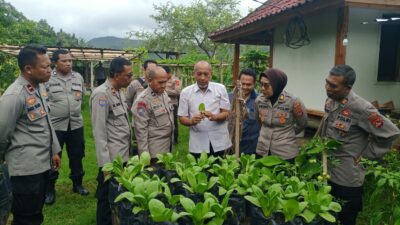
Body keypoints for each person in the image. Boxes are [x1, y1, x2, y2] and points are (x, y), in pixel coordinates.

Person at [320, 64, 400, 225]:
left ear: (347, 88)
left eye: (333, 85)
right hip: (327, 168)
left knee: (346, 217)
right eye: (327, 82)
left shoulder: (362, 108)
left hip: (347, 175)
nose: (327, 87)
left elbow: (390, 133)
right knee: (327, 214)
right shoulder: (331, 101)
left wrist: (365, 158)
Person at [0, 44, 61, 225]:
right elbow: (2, 133)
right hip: (25, 170)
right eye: (45, 67)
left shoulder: (38, 88)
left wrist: (54, 150)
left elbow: (47, 121)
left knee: (35, 214)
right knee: (27, 218)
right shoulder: (15, 95)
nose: (50, 70)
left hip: (41, 164)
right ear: (28, 69)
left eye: (50, 65)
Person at [90, 57, 132, 225]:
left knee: (118, 194)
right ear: (116, 75)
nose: (131, 79)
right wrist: (105, 165)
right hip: (112, 159)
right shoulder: (101, 94)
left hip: (123, 154)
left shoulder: (119, 91)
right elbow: (99, 133)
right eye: (128, 76)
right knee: (106, 197)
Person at [44, 49, 89, 205]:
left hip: (76, 124)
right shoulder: (47, 78)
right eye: (64, 61)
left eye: (70, 60)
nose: (68, 63)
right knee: (53, 157)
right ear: (55, 62)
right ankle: (49, 189)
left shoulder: (78, 77)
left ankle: (77, 184)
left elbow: (80, 98)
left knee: (77, 155)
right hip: (56, 125)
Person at [178, 61, 231, 157]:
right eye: (199, 74)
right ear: (193, 74)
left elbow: (226, 113)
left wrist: (214, 116)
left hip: (219, 140)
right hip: (198, 142)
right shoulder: (186, 92)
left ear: (211, 74)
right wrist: (191, 121)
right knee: (199, 170)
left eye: (206, 74)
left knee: (221, 169)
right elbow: (182, 117)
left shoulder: (220, 89)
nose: (202, 77)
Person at [255, 68, 308, 161]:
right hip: (263, 150)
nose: (262, 88)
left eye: (266, 85)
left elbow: (302, 123)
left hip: (285, 152)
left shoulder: (293, 101)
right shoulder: (259, 101)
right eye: (261, 84)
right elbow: (259, 121)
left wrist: (288, 134)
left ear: (277, 85)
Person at [132, 66, 174, 162]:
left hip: (167, 147)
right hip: (154, 153)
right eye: (160, 82)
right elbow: (141, 132)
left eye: (165, 81)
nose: (164, 85)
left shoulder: (163, 93)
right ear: (150, 81)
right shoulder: (142, 102)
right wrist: (144, 157)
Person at [229, 68, 261, 154]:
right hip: (231, 145)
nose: (245, 87)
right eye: (243, 84)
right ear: (238, 82)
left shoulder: (260, 100)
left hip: (251, 147)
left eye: (249, 84)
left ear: (254, 84)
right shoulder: (229, 98)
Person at [163, 65, 181, 144]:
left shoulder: (175, 80)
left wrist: (164, 90)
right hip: (163, 104)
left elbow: (177, 92)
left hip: (172, 104)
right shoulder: (164, 79)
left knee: (173, 122)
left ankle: (175, 140)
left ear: (168, 73)